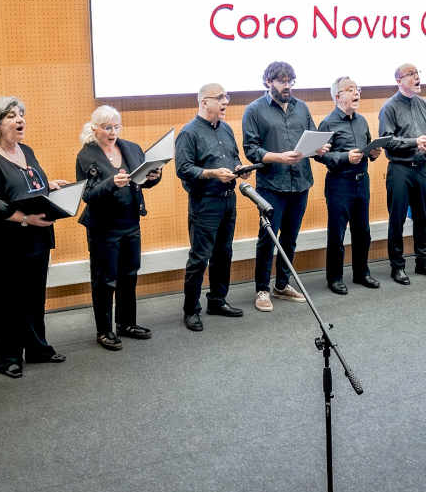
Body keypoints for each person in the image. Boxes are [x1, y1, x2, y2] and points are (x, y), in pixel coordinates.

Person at [0, 97, 71, 378]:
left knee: (34, 299)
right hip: (4, 244)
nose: (20, 120)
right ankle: (8, 357)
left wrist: (48, 185)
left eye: (21, 114)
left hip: (35, 241)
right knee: (6, 304)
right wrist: (26, 219)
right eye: (12, 116)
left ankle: (37, 349)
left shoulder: (25, 150)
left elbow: (27, 185)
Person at [242, 61, 330, 312]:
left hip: (300, 181)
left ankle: (282, 284)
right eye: (282, 81)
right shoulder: (254, 110)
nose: (287, 86)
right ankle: (262, 289)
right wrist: (278, 156)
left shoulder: (301, 107)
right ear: (268, 82)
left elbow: (312, 137)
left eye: (290, 81)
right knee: (267, 239)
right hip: (272, 185)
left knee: (290, 238)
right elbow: (251, 150)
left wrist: (319, 148)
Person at [76, 105, 162, 349]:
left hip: (130, 222)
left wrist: (154, 177)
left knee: (129, 275)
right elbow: (88, 194)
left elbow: (142, 181)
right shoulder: (86, 155)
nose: (113, 132)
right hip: (104, 227)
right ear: (95, 129)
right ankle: (104, 330)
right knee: (105, 280)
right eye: (107, 127)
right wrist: (111, 183)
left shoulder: (131, 148)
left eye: (116, 126)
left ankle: (126, 323)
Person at [176, 83, 251, 331]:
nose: (225, 102)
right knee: (199, 259)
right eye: (220, 98)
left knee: (223, 254)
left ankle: (217, 301)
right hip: (204, 203)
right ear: (204, 102)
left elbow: (235, 157)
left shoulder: (227, 129)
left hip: (229, 200)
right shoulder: (189, 133)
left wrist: (240, 169)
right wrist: (212, 173)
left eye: (226, 97)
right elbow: (183, 169)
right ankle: (191, 310)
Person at [315, 76, 381, 294]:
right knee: (337, 234)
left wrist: (374, 152)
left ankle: (362, 273)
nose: (356, 93)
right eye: (350, 89)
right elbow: (319, 156)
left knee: (363, 232)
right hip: (339, 184)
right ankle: (334, 278)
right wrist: (344, 157)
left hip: (362, 182)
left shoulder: (361, 120)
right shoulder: (327, 123)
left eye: (357, 88)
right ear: (338, 96)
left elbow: (368, 146)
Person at [379, 63, 426, 284]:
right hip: (400, 169)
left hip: (422, 168)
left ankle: (423, 262)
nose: (417, 78)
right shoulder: (390, 107)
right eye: (411, 74)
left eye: (418, 74)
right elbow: (387, 141)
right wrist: (414, 142)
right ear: (399, 81)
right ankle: (397, 267)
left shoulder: (425, 105)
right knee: (397, 220)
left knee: (422, 217)